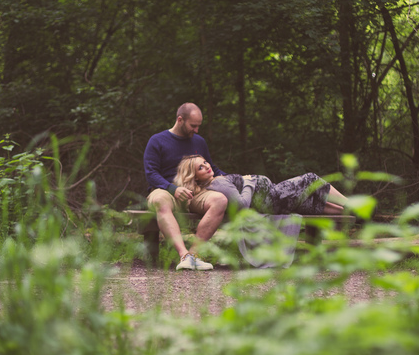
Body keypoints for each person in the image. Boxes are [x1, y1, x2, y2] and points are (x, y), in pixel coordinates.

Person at [144, 103, 228, 271]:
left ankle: (194, 255)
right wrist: (173, 189)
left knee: (220, 200)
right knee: (159, 199)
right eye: (193, 126)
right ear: (180, 120)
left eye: (199, 126)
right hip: (167, 191)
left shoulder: (199, 141)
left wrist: (233, 179)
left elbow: (212, 167)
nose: (196, 130)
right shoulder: (157, 140)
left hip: (196, 192)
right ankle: (183, 255)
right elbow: (151, 173)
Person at [173, 155, 348, 216]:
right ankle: (355, 205)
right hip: (274, 199)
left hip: (273, 198)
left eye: (205, 162)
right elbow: (242, 205)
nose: (207, 166)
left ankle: (352, 213)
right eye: (200, 168)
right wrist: (248, 182)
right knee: (311, 179)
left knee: (313, 202)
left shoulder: (214, 184)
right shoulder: (217, 184)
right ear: (195, 177)